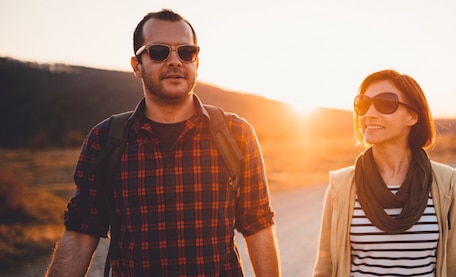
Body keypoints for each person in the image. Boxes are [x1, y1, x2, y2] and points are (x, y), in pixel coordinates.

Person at [45, 9, 280, 276]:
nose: (175, 61)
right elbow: (80, 233)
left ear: (197, 64)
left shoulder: (236, 135)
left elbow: (258, 225)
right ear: (137, 66)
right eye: (158, 51)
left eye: (186, 52)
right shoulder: (105, 140)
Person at [313, 69, 456, 277]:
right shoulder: (340, 186)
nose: (369, 113)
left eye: (385, 103)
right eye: (363, 104)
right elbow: (325, 268)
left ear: (413, 116)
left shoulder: (444, 182)